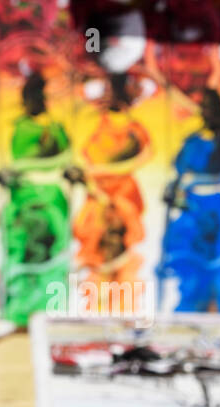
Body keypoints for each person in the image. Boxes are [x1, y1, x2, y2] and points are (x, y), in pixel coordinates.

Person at [70, 72, 153, 311]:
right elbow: (83, 159)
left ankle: (123, 308)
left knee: (121, 239)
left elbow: (147, 155)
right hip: (97, 192)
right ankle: (95, 308)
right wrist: (93, 179)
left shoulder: (134, 128)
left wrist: (106, 170)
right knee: (96, 243)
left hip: (122, 191)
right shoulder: (97, 124)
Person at [159, 88, 220, 313]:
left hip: (215, 208)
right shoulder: (192, 141)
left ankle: (216, 313)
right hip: (190, 205)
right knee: (190, 267)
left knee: (216, 267)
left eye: (208, 106)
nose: (204, 111)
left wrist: (199, 177)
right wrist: (175, 191)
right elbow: (178, 171)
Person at [0, 73, 72, 326]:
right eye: (27, 98)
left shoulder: (54, 127)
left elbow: (65, 158)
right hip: (21, 197)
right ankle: (18, 314)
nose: (31, 102)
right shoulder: (18, 126)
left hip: (49, 196)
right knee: (21, 252)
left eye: (35, 97)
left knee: (51, 252)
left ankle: (53, 312)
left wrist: (24, 165)